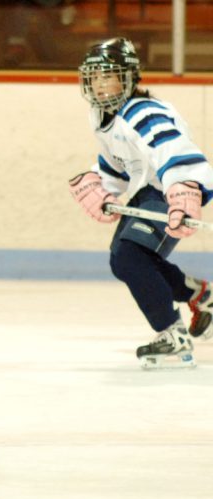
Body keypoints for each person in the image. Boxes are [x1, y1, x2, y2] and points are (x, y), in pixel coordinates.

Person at [68, 37, 213, 370]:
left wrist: (185, 188)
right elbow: (121, 166)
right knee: (124, 261)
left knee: (132, 258)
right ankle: (199, 294)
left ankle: (172, 333)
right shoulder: (103, 115)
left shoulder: (143, 111)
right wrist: (100, 184)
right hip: (150, 192)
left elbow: (173, 150)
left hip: (168, 191)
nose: (101, 85)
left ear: (129, 78)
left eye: (110, 76)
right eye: (95, 77)